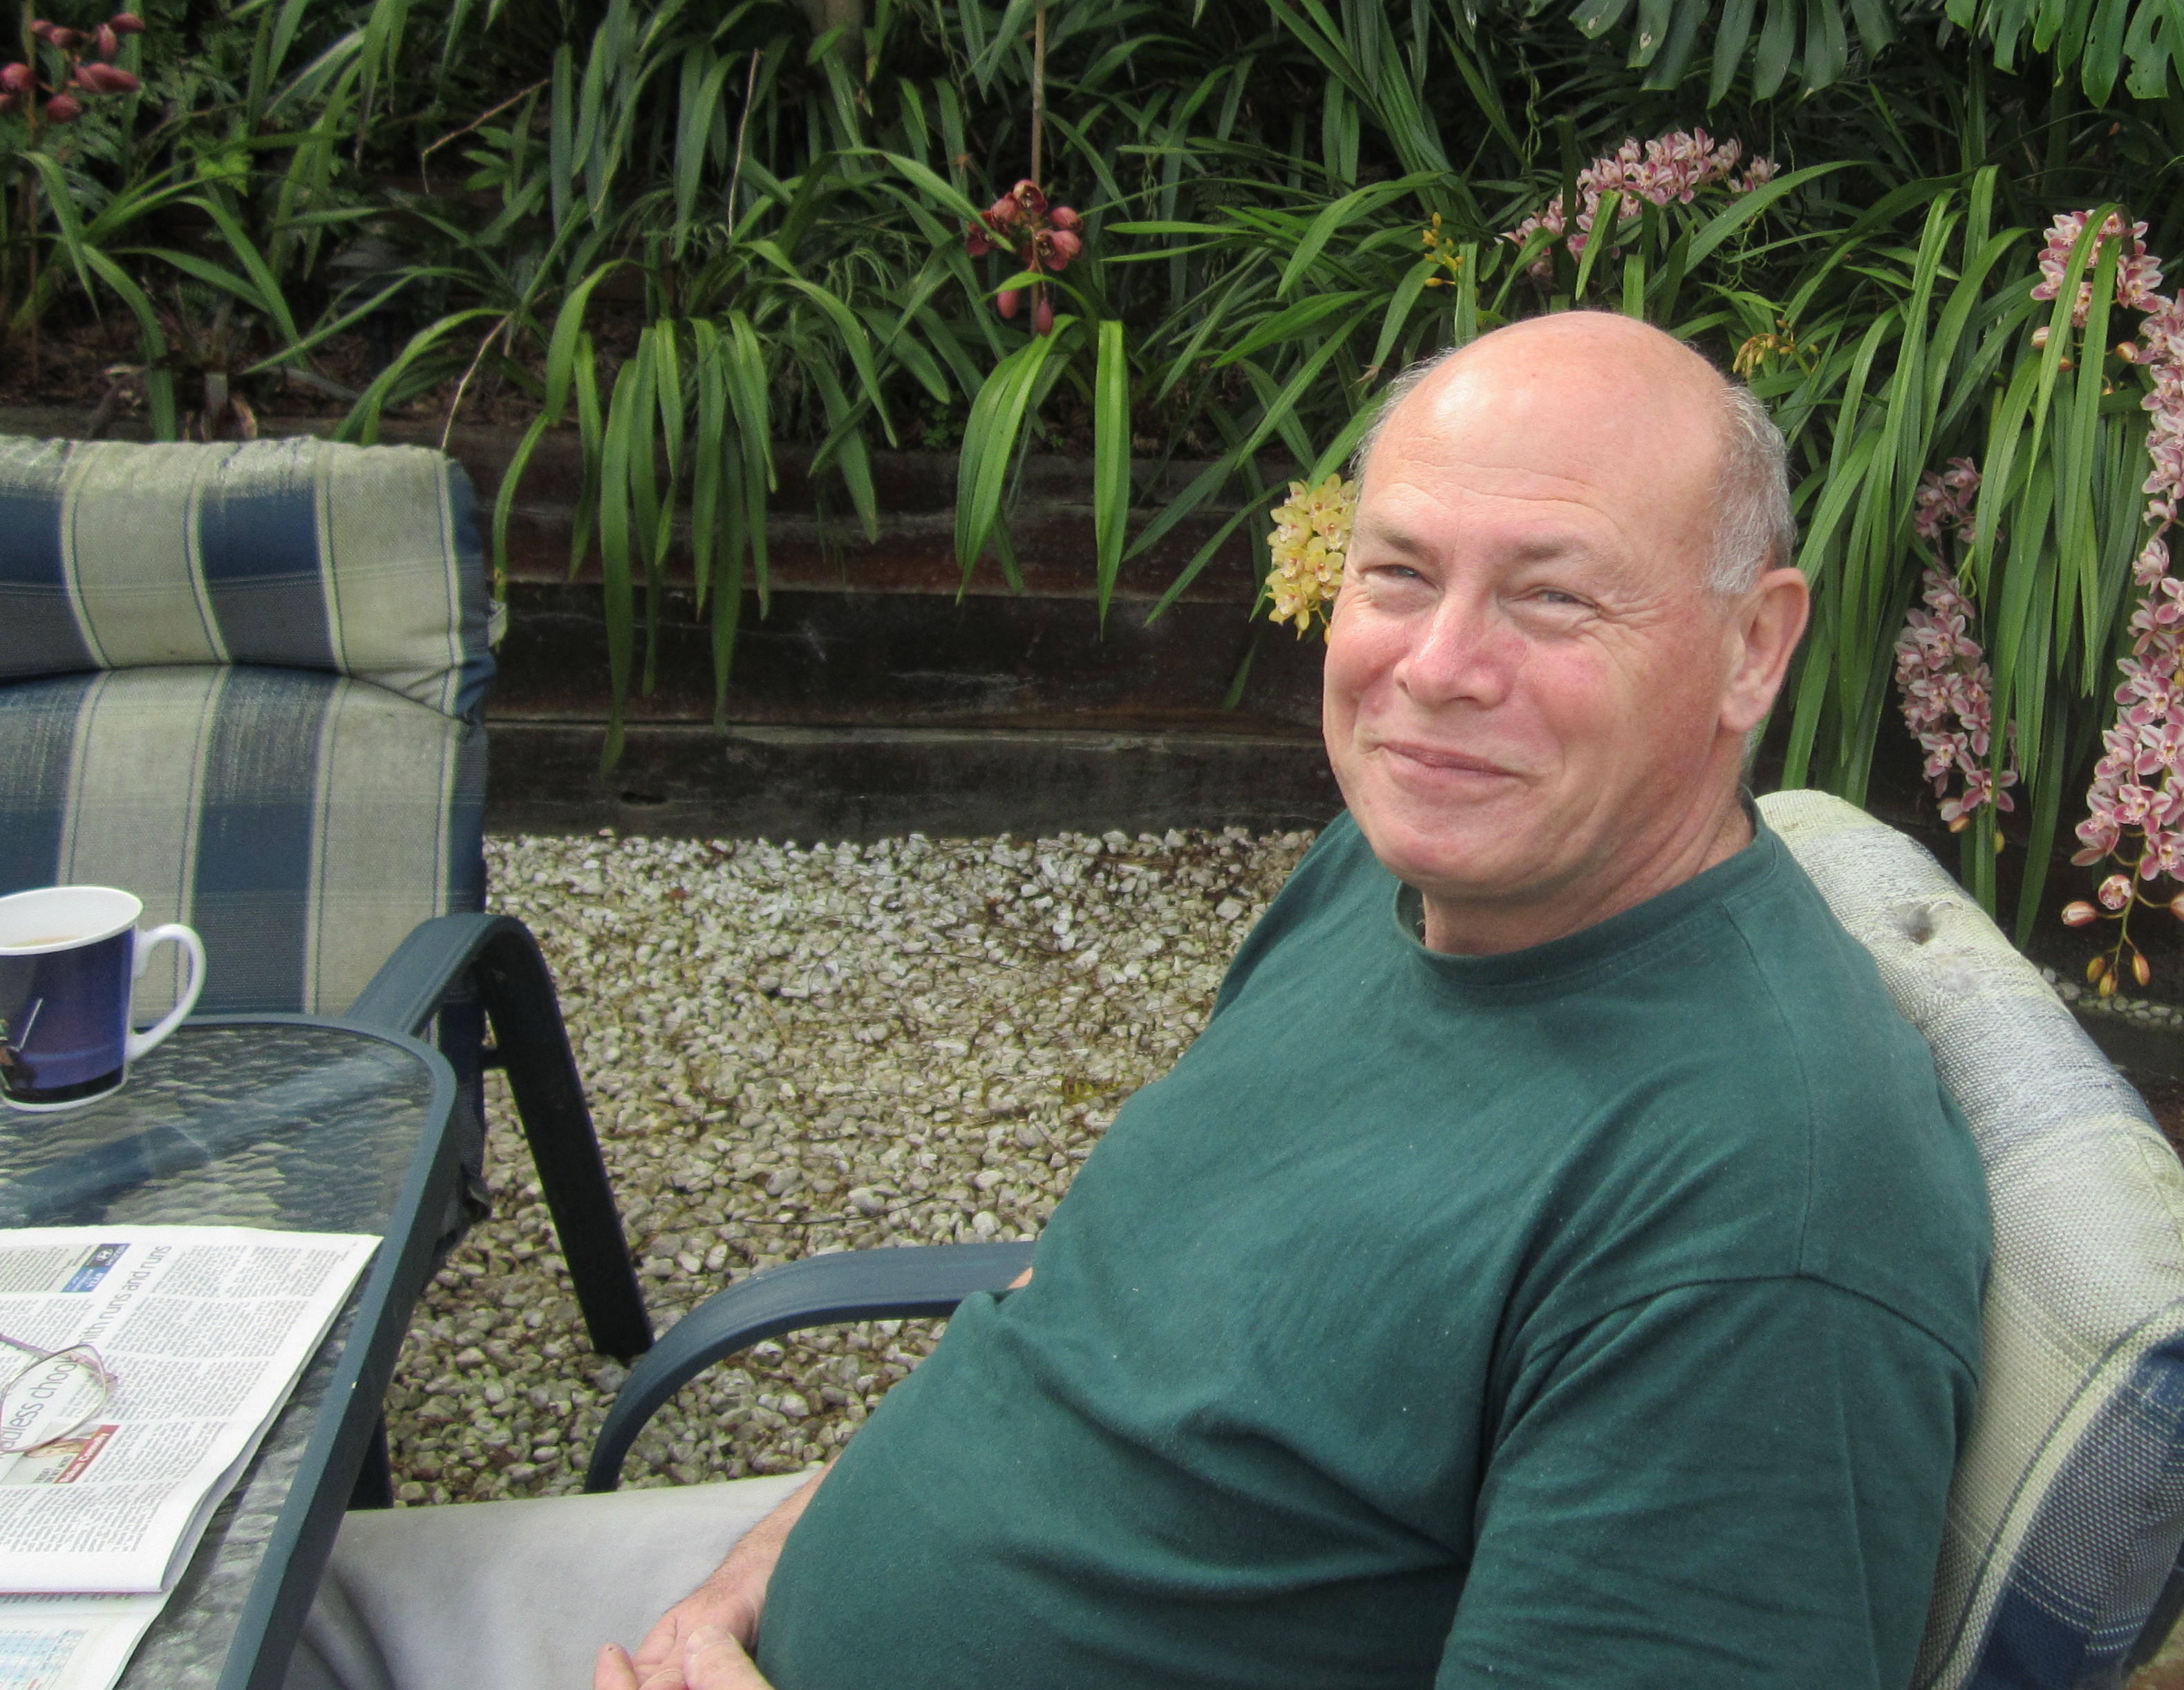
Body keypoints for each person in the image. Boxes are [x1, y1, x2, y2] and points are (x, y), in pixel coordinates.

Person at [290, 311, 1990, 1690]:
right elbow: (1107, 1287)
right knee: (235, 1608)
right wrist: (796, 1537)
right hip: (733, 1602)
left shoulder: (1764, 1216)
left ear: (1753, 648)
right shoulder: (1391, 877)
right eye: (1399, 575)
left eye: (1551, 596)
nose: (1436, 669)